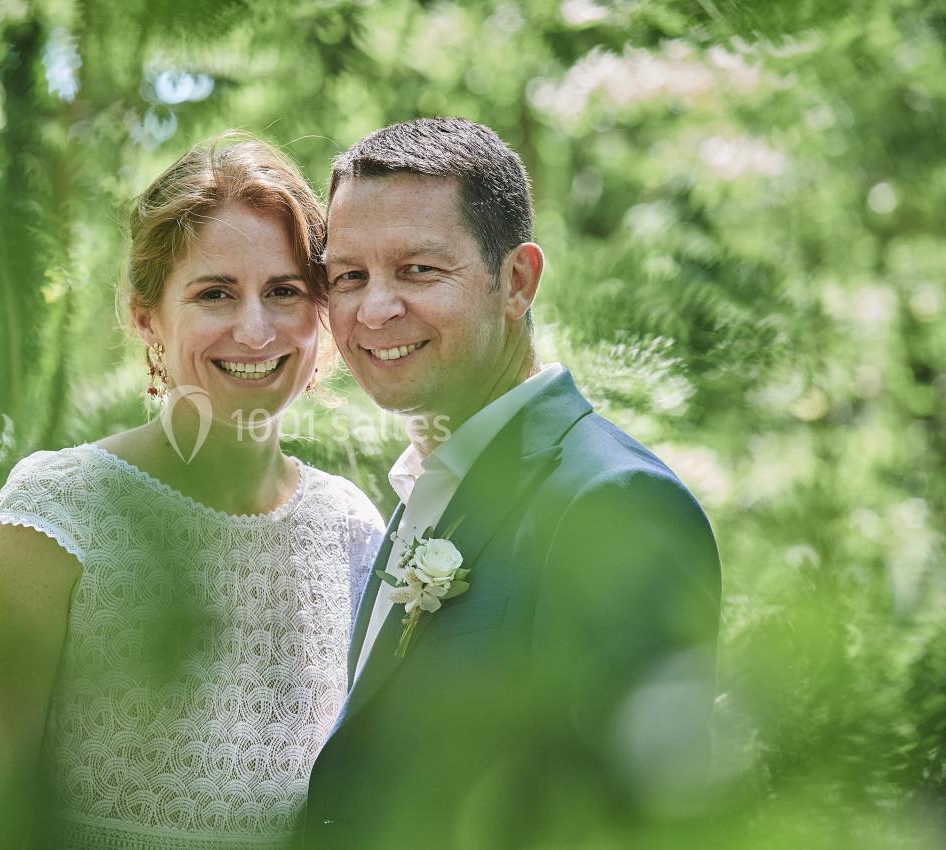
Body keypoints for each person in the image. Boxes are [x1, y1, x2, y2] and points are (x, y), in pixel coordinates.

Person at [0, 134, 385, 850]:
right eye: (215, 293)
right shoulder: (57, 511)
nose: (254, 328)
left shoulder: (355, 529)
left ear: (322, 315)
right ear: (148, 317)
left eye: (284, 291)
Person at [305, 117, 723, 848]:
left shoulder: (614, 504)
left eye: (418, 270)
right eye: (349, 277)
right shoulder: (424, 496)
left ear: (517, 281)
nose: (373, 310)